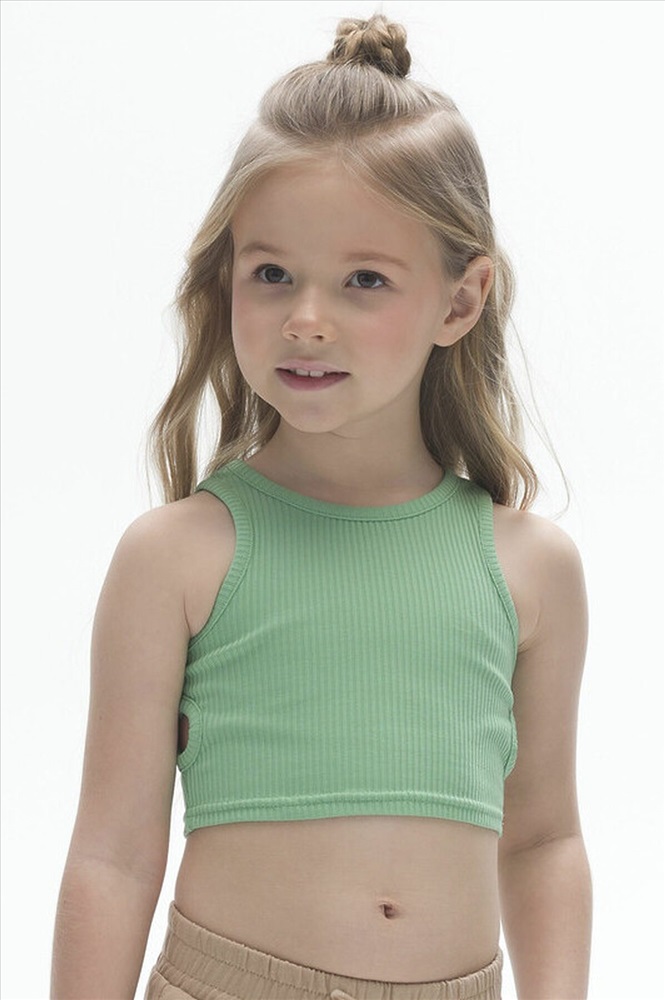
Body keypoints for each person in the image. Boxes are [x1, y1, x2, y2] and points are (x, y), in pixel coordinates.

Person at [51, 13, 592, 1000]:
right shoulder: (180, 556)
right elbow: (113, 857)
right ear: (226, 281)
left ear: (459, 301)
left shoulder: (527, 568)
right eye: (272, 275)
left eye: (362, 281)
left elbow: (544, 837)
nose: (306, 319)